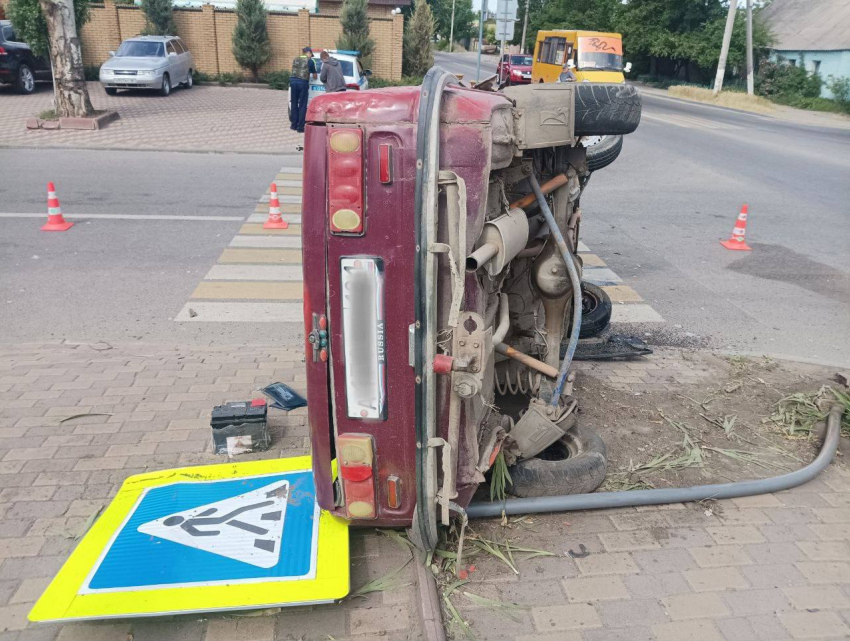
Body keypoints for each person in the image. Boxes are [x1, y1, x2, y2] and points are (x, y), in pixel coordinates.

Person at [290, 47, 316, 133]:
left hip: (293, 82)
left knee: (294, 103)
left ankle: (293, 125)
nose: (311, 56)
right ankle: (300, 127)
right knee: (302, 105)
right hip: (302, 84)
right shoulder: (310, 61)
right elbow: (315, 76)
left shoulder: (295, 59)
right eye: (311, 54)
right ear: (308, 52)